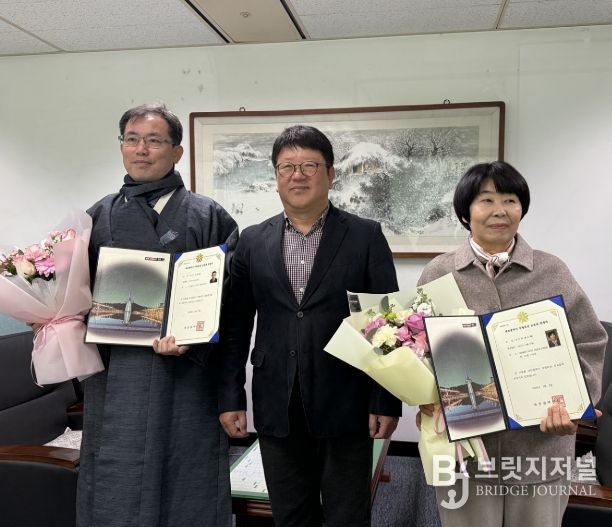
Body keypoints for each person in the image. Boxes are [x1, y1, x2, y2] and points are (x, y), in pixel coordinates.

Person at [219, 125, 402, 527]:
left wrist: (385, 399)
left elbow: (386, 321)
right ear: (276, 176)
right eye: (287, 167)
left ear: (330, 174)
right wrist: (231, 396)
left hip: (346, 398)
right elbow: (235, 327)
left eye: (309, 166)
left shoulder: (365, 236)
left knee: (347, 516)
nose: (297, 175)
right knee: (290, 515)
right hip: (276, 400)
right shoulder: (252, 240)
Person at [417, 161, 606, 527]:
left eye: (510, 200)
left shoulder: (553, 271)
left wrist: (575, 404)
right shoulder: (439, 273)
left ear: (522, 209)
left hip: (540, 452)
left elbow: (590, 340)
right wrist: (427, 397)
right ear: (465, 211)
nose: (500, 210)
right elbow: (418, 351)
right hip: (467, 453)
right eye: (486, 200)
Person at [79, 103, 238, 527]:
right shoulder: (98, 216)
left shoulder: (208, 215)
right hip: (117, 375)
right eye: (132, 140)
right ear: (121, 147)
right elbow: (76, 295)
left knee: (188, 473)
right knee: (114, 474)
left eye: (153, 141)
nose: (141, 150)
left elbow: (231, 298)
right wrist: (54, 318)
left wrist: (193, 339)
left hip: (186, 374)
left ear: (177, 151)